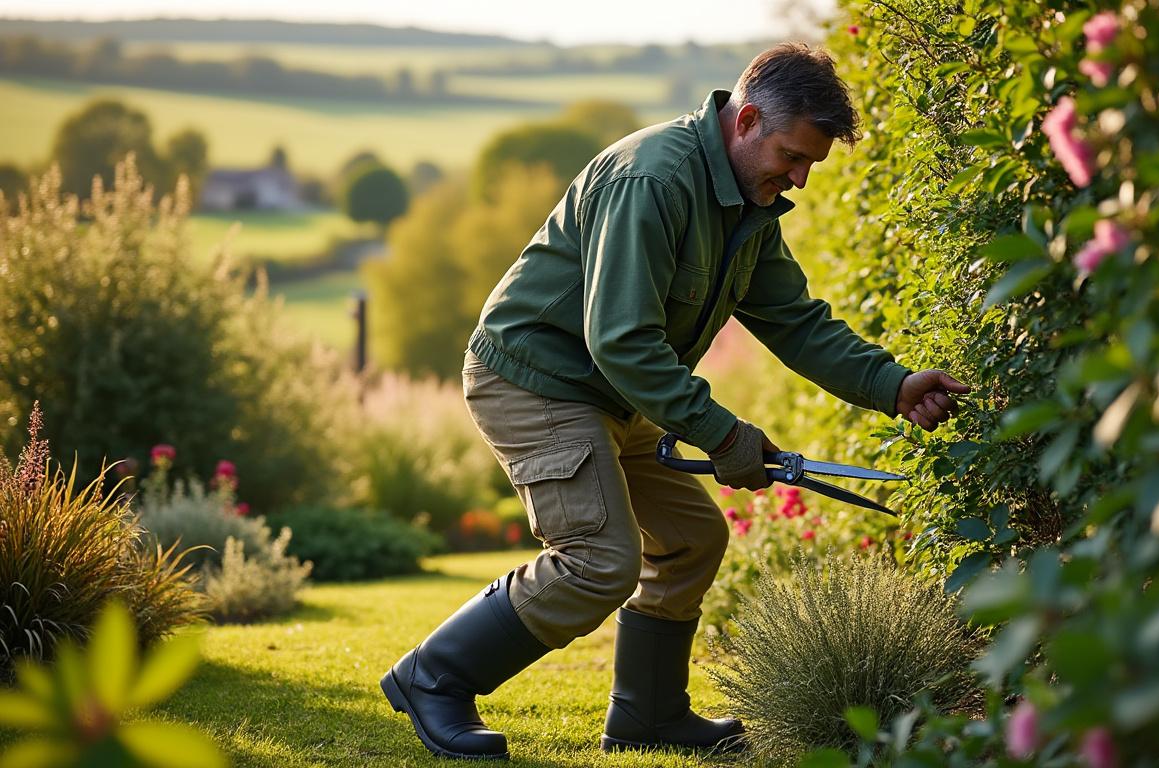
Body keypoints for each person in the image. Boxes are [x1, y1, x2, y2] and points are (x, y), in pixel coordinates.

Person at [380, 42, 970, 760]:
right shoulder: (654, 180)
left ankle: (648, 716)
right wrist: (724, 435)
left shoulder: (747, 204)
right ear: (746, 119)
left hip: (615, 395)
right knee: (598, 559)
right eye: (793, 155)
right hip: (537, 379)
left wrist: (894, 385)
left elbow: (794, 319)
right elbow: (622, 341)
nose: (802, 178)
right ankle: (433, 677)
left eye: (812, 163)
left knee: (693, 539)